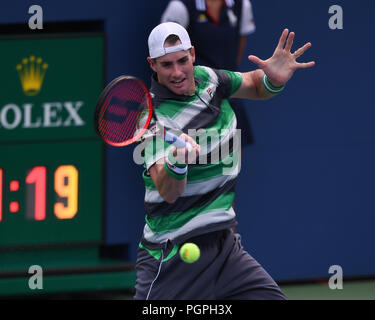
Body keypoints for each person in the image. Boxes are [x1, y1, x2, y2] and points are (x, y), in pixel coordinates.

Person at [134, 22, 314, 300]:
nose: (178, 72)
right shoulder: (153, 118)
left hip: (226, 250)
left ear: (193, 53)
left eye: (183, 60)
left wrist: (273, 80)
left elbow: (254, 84)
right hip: (171, 257)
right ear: (152, 64)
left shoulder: (209, 79)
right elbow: (168, 191)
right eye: (166, 65)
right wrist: (178, 162)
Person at [161, 0, 256, 146]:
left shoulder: (242, 5)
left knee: (232, 165)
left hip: (228, 98)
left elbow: (236, 53)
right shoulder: (180, 7)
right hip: (192, 104)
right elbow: (166, 57)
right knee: (194, 163)